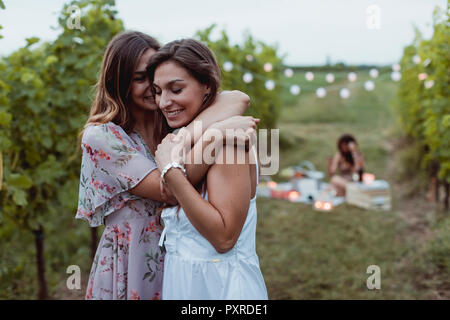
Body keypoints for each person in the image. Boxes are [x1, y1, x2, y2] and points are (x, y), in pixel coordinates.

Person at [76, 31, 258, 300]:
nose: (153, 89)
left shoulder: (172, 124)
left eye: (155, 79)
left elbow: (237, 98)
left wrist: (190, 137)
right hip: (134, 262)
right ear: (119, 81)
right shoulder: (104, 137)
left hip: (183, 260)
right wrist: (214, 137)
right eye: (141, 79)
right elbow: (170, 189)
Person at [148, 39, 268, 300]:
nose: (164, 102)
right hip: (183, 285)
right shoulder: (196, 138)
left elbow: (224, 238)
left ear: (206, 86)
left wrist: (170, 169)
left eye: (176, 89)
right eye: (157, 91)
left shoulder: (229, 143)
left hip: (221, 289)